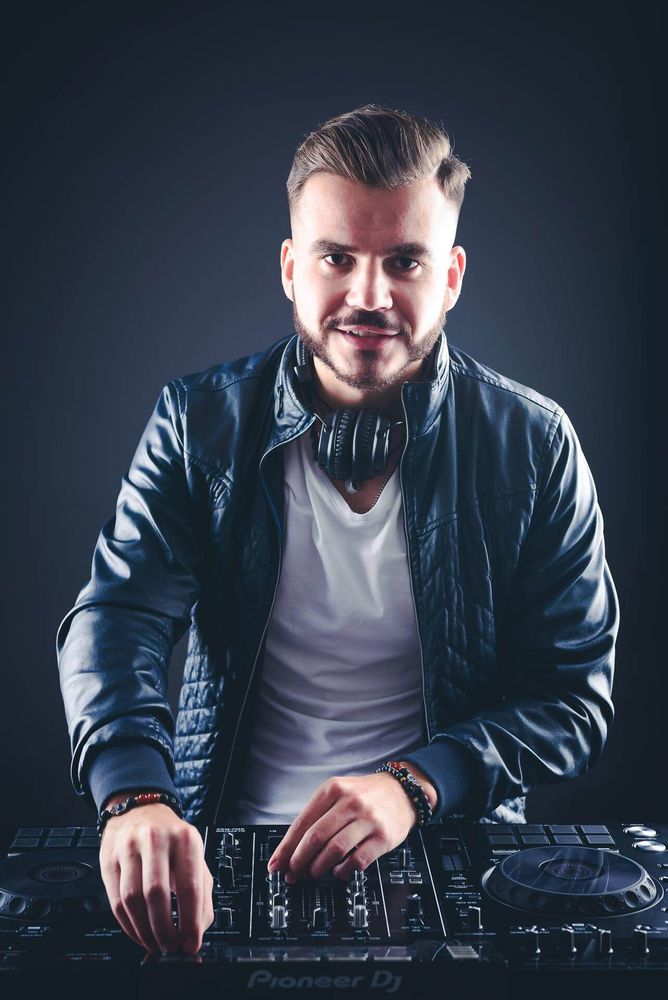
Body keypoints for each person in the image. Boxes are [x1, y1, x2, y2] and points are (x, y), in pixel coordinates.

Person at [56, 104, 619, 957]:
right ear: (291, 268)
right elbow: (117, 614)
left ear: (451, 276)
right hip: (222, 850)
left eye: (405, 261)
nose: (368, 296)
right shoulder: (196, 424)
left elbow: (572, 696)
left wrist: (416, 783)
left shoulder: (535, 446)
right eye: (336, 258)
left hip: (444, 849)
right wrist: (134, 796)